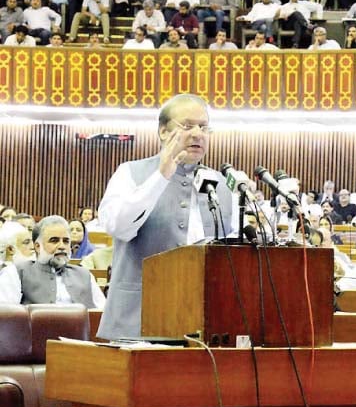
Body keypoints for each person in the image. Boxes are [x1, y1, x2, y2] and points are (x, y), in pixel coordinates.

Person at [96, 94, 235, 340]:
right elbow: (119, 227)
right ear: (163, 132)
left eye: (203, 127)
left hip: (201, 325)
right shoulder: (130, 172)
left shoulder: (220, 183)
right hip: (138, 319)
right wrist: (161, 175)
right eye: (187, 125)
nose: (197, 133)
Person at [18, 215, 106, 308]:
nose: (62, 246)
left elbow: (102, 312)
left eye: (66, 241)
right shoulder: (19, 273)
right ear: (37, 246)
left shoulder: (85, 275)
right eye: (54, 241)